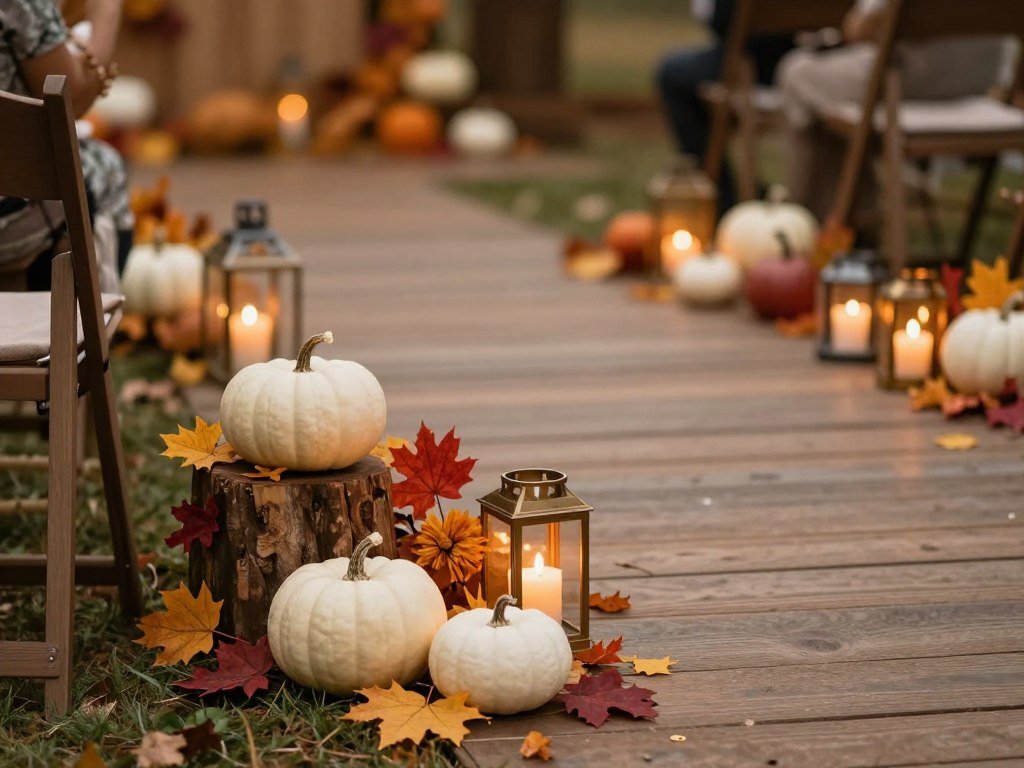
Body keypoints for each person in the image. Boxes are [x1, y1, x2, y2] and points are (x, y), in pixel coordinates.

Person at [777, 0, 1007, 224]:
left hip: (907, 84)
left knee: (797, 73)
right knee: (833, 104)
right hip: (976, 87)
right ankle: (851, 216)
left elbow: (859, 27)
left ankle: (807, 215)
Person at [0, 0, 131, 291]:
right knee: (105, 165)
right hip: (8, 218)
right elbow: (70, 102)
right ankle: (79, 327)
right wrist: (106, 13)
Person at [656, 0, 794, 214]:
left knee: (672, 74)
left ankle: (722, 200)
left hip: (749, 67)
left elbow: (719, 21)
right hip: (808, 62)